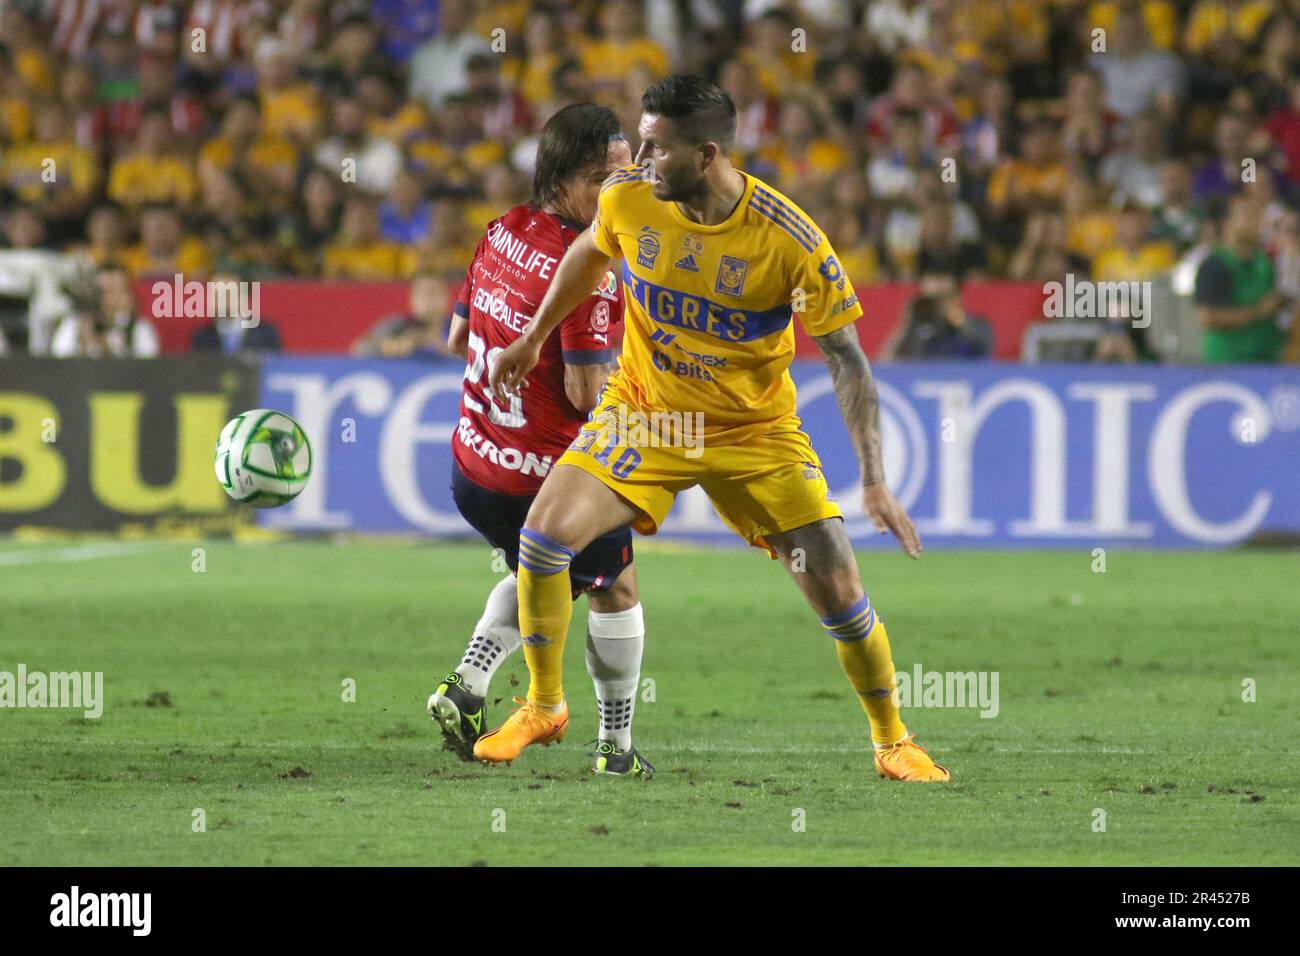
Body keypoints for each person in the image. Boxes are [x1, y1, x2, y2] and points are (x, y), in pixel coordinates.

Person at [485, 76, 949, 782]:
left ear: (705, 155)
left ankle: (892, 741)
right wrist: (531, 337)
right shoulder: (630, 199)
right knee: (544, 538)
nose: (637, 160)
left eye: (654, 147)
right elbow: (589, 254)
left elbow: (847, 360)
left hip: (753, 433)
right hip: (645, 413)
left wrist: (876, 483)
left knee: (840, 594)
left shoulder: (788, 240)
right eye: (638, 141)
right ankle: (546, 704)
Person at [426, 103, 654, 777]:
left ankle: (468, 684)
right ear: (573, 181)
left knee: (542, 575)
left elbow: (458, 337)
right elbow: (587, 395)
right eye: (614, 179)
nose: (626, 189)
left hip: (476, 468)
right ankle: (615, 749)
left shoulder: (500, 231)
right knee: (615, 587)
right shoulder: (592, 271)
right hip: (545, 479)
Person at [1195, 193, 1290, 363]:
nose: (1257, 222)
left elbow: (1279, 300)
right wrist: (1259, 311)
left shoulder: (1266, 261)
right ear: (1227, 223)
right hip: (1228, 364)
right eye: (1247, 215)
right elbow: (1208, 317)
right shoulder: (1214, 265)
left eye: (1257, 214)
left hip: (1269, 359)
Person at [352, 270, 457, 358]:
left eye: (433, 292)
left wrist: (448, 350)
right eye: (422, 293)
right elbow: (359, 349)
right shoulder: (397, 326)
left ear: (447, 296)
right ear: (412, 299)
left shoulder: (461, 329)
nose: (428, 299)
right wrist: (389, 347)